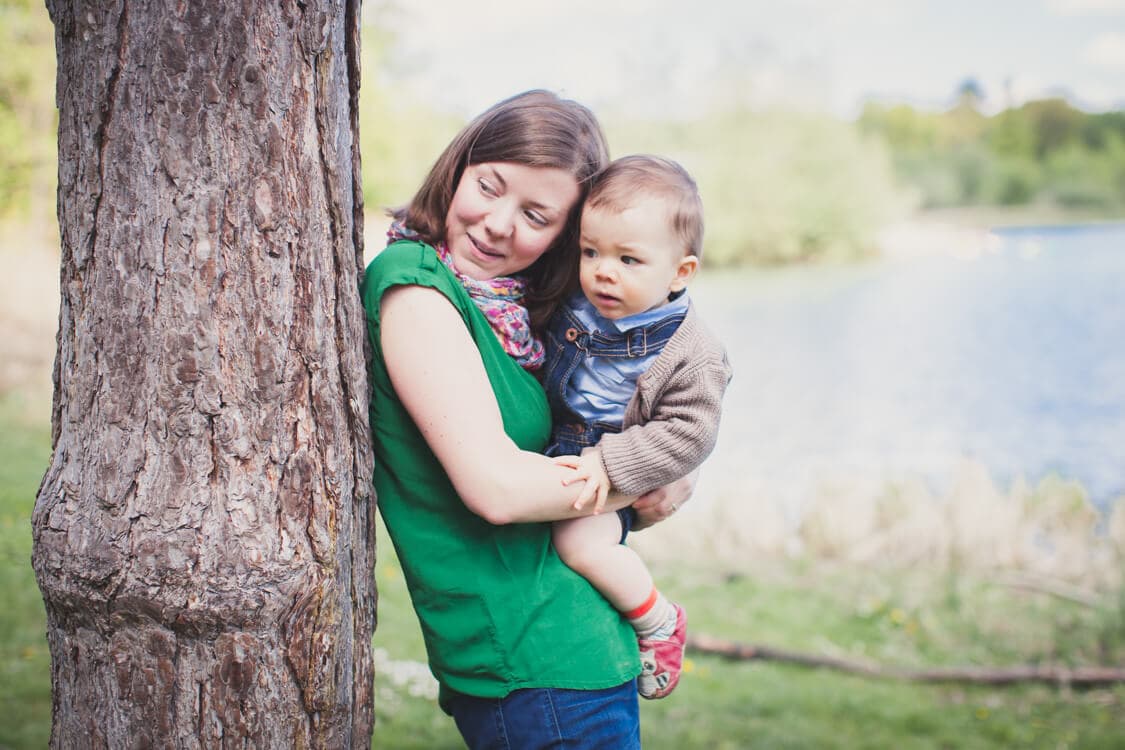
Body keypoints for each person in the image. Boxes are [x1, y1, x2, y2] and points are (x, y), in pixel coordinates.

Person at [362, 90, 694, 749]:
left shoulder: (518, 318)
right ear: (458, 166)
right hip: (527, 657)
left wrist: (650, 491)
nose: (496, 224)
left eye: (535, 215)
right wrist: (636, 474)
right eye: (489, 186)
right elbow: (498, 489)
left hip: (565, 655)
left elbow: (580, 457)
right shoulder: (415, 284)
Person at [543, 155, 733, 701]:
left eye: (629, 259)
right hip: (561, 449)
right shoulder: (578, 307)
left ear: (680, 272)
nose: (604, 270)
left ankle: (658, 621)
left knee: (581, 546)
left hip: (617, 466)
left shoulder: (694, 354)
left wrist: (611, 463)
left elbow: (689, 433)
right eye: (591, 252)